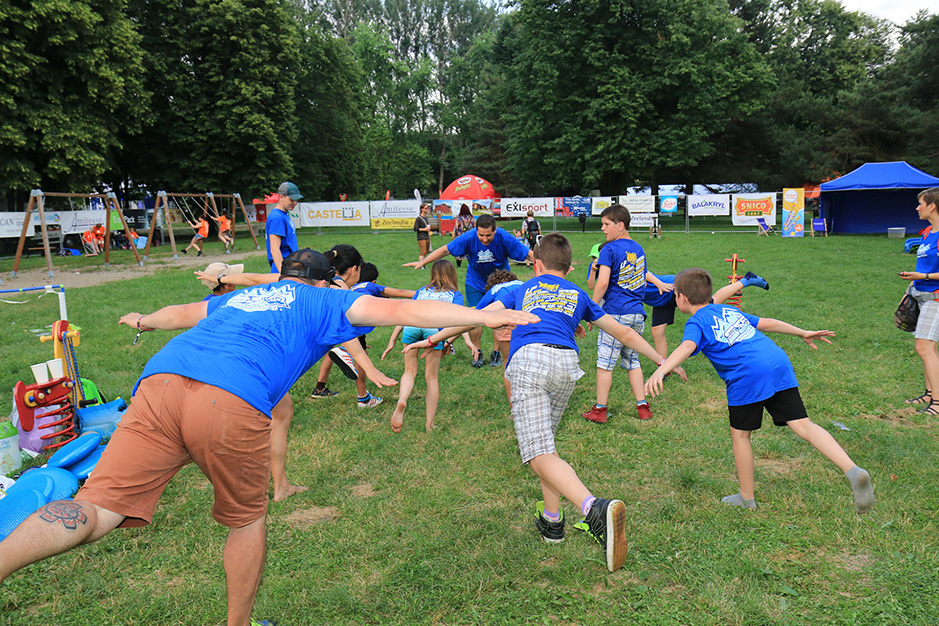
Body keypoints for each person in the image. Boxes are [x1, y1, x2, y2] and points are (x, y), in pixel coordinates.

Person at [0, 249, 539, 626]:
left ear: (282, 275)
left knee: (95, 510)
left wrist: (142, 319)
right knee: (247, 519)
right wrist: (484, 313)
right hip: (229, 397)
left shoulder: (241, 298)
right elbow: (406, 309)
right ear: (331, 281)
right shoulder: (329, 301)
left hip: (160, 382)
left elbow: (179, 315)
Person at [405, 234, 672, 572]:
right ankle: (552, 521)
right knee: (546, 449)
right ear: (569, 267)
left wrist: (432, 338)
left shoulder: (520, 288)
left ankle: (593, 509)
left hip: (530, 362)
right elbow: (625, 333)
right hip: (566, 366)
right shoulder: (578, 293)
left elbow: (474, 317)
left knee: (537, 453)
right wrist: (662, 361)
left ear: (536, 264)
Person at [645, 267, 875, 515]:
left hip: (747, 375)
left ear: (681, 298)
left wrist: (662, 368)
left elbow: (688, 345)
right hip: (776, 361)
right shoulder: (728, 309)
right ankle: (852, 470)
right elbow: (769, 323)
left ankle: (746, 498)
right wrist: (802, 332)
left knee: (741, 436)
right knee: (803, 425)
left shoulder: (696, 322)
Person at [585, 244, 770, 358]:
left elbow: (645, 273)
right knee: (657, 331)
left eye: (600, 259)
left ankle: (746, 280)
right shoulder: (601, 272)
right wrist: (594, 270)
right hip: (659, 301)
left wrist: (659, 283)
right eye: (595, 259)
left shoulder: (623, 269)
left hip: (670, 288)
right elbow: (592, 286)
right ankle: (663, 366)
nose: (599, 261)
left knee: (711, 303)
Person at [405, 213, 533, 367]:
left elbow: (528, 254)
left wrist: (552, 269)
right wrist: (423, 261)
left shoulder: (504, 237)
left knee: (499, 318)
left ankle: (496, 353)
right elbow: (446, 250)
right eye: (481, 235)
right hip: (475, 283)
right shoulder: (469, 237)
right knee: (474, 317)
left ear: (495, 230)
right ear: (476, 230)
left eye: (489, 235)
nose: (485, 239)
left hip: (499, 283)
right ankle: (476, 352)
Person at [381, 259, 477, 433]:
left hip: (410, 326)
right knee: (431, 377)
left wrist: (393, 339)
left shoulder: (421, 291)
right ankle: (429, 424)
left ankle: (402, 399)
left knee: (409, 370)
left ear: (432, 274)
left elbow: (405, 313)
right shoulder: (454, 295)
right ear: (453, 275)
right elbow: (461, 321)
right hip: (432, 331)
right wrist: (456, 341)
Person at [582, 204, 655, 423]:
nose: (603, 229)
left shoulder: (609, 249)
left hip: (615, 314)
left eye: (606, 224)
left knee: (605, 363)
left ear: (620, 225)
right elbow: (641, 279)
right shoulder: (638, 248)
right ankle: (643, 407)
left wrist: (592, 311)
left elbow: (602, 282)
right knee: (632, 361)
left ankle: (599, 410)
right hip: (636, 314)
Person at [898, 188, 939, 415]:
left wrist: (922, 277)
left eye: (921, 203)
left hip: (936, 297)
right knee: (927, 348)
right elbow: (922, 268)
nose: (917, 207)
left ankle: (938, 404)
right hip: (920, 294)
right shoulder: (927, 233)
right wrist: (910, 288)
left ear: (932, 206)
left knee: (925, 347)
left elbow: (926, 273)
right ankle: (930, 394)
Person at [266, 182, 301, 272]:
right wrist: (283, 274)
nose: (295, 203)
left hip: (290, 265)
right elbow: (274, 249)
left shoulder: (283, 215)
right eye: (292, 199)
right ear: (281, 197)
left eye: (296, 200)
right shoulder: (277, 217)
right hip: (283, 266)